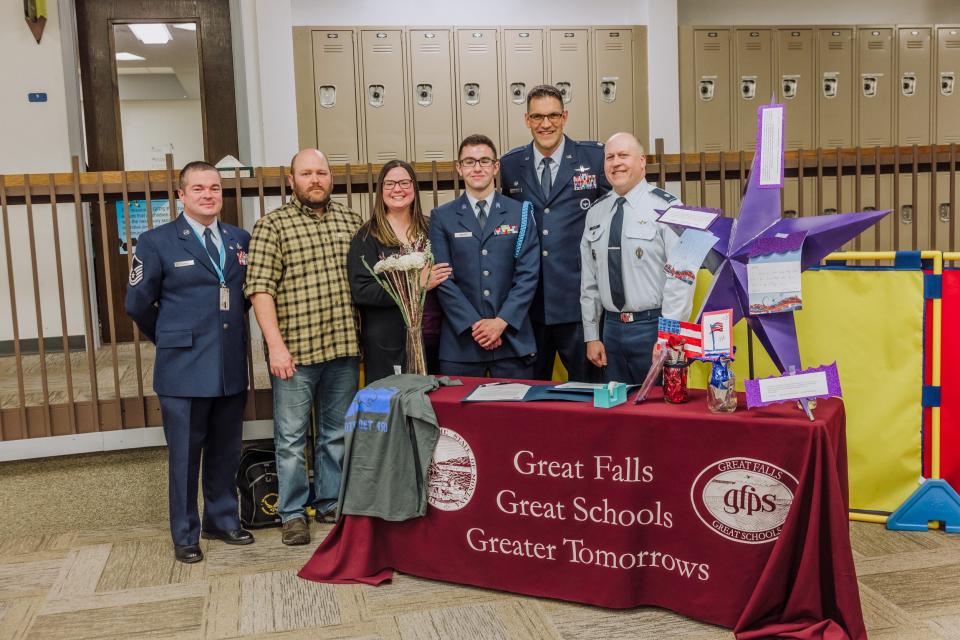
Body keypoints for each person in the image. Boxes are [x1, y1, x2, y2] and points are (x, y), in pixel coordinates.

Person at [125, 161, 254, 564]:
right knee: (184, 456)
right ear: (181, 195)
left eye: (214, 188)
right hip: (182, 369)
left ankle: (222, 518)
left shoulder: (239, 239)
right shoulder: (156, 241)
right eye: (198, 188)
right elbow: (137, 304)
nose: (208, 195)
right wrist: (169, 337)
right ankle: (185, 534)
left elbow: (245, 296)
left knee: (225, 450)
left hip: (229, 365)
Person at [244, 149, 362, 546]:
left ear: (332, 178)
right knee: (292, 438)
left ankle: (329, 501)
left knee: (335, 433)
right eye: (306, 173)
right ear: (291, 180)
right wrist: (275, 347)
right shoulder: (271, 225)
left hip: (343, 347)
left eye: (322, 172)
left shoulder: (351, 220)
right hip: (294, 353)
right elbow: (260, 290)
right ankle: (293, 513)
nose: (315, 179)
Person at [499, 84, 610, 382]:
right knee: (532, 398)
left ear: (564, 116)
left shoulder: (594, 158)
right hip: (530, 305)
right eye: (537, 117)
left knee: (589, 392)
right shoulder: (510, 165)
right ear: (526, 119)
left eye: (552, 116)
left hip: (578, 302)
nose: (545, 124)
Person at [580, 132, 696, 384]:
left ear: (642, 161)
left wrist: (669, 336)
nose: (616, 162)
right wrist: (592, 335)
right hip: (611, 331)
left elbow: (682, 279)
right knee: (617, 415)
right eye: (610, 157)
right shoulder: (596, 213)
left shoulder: (670, 207)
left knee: (658, 415)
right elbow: (589, 282)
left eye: (623, 155)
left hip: (653, 328)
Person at [429, 134, 540, 378]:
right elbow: (443, 280)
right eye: (469, 162)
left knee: (515, 415)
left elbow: (528, 275)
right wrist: (476, 327)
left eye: (484, 161)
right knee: (457, 417)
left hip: (512, 340)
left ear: (496, 166)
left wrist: (500, 323)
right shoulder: (442, 217)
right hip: (461, 346)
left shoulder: (519, 212)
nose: (477, 168)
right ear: (459, 168)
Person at [347, 160, 451, 382]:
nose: (397, 189)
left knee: (434, 407)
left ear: (414, 187)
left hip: (434, 340)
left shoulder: (432, 228)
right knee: (395, 410)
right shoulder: (366, 236)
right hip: (388, 344)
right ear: (380, 190)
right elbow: (362, 292)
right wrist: (415, 286)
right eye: (390, 183)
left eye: (404, 182)